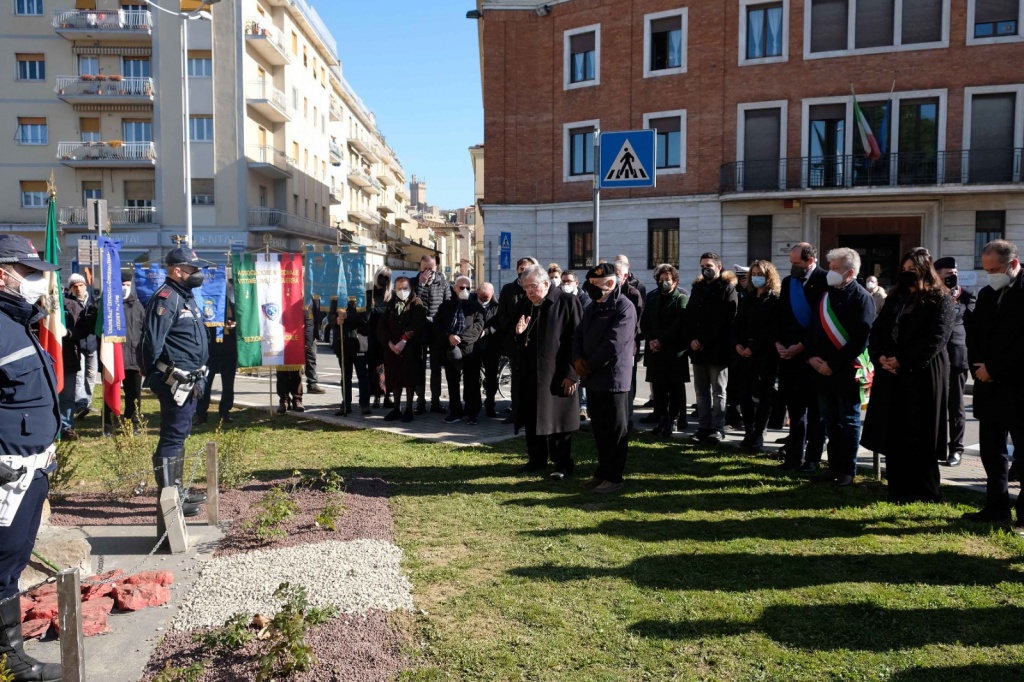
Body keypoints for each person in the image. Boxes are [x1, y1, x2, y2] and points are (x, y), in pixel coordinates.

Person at [0, 235, 63, 682]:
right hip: (6, 473)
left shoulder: (16, 322)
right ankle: (10, 662)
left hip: (31, 471)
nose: (38, 280)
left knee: (13, 560)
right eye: (28, 272)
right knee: (1, 566)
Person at [861, 249, 954, 503]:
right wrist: (880, 356)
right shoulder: (896, 298)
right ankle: (897, 489)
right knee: (895, 430)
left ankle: (925, 491)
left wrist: (904, 360)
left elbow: (936, 338)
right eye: (905, 269)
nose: (908, 274)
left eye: (913, 269)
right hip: (891, 373)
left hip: (922, 373)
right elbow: (878, 330)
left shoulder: (940, 299)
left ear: (925, 270)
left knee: (920, 432)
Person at [141, 247, 210, 526]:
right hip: (173, 381)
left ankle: (178, 490)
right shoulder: (166, 299)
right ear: (177, 270)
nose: (198, 274)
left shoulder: (186, 297)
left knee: (179, 435)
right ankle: (170, 495)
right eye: (193, 269)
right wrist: (158, 379)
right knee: (172, 436)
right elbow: (151, 344)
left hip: (190, 380)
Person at [963, 239, 1024, 533]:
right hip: (988, 386)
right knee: (992, 451)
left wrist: (995, 368)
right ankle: (996, 506)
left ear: (1013, 264)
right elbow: (975, 335)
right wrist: (979, 368)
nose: (991, 275)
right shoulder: (988, 293)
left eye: (996, 269)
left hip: (1017, 386)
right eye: (987, 270)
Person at [806, 247, 875, 487]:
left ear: (850, 272)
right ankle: (833, 466)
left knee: (848, 421)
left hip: (846, 371)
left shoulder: (862, 297)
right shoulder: (825, 295)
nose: (830, 272)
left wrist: (833, 364)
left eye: (835, 268)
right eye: (831, 267)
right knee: (829, 421)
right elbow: (813, 330)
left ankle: (848, 469)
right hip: (821, 370)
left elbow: (860, 339)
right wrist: (812, 357)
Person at [512, 265, 582, 479]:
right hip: (531, 373)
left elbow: (577, 341)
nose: (529, 292)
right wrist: (518, 334)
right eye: (525, 288)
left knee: (558, 420)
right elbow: (521, 340)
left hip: (557, 374)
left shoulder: (567, 302)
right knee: (533, 417)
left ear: (546, 283)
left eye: (532, 287)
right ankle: (536, 459)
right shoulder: (525, 305)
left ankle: (562, 464)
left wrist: (572, 374)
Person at [574, 263, 637, 493]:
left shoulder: (624, 307)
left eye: (594, 285)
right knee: (599, 429)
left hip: (613, 380)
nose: (589, 289)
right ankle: (601, 473)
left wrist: (588, 365)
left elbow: (614, 343)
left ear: (610, 284)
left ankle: (614, 477)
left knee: (615, 431)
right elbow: (578, 334)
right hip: (592, 378)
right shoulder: (593, 307)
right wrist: (577, 359)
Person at [775, 243, 828, 471]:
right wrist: (778, 342)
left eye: (796, 263)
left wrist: (802, 346)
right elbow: (782, 317)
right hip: (789, 359)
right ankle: (793, 457)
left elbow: (823, 323)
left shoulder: (826, 281)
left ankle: (813, 459)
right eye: (791, 262)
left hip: (814, 358)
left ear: (810, 260)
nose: (792, 267)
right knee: (795, 412)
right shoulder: (789, 283)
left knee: (816, 414)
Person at [685, 252, 738, 444]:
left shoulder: (727, 289)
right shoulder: (698, 288)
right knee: (701, 391)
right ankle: (703, 427)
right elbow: (689, 316)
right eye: (702, 266)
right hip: (697, 349)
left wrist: (704, 341)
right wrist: (692, 339)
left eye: (708, 265)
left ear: (718, 266)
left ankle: (717, 428)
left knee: (718, 391)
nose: (705, 269)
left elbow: (726, 319)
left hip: (717, 349)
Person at [732, 260, 781, 451]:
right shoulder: (748, 298)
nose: (756, 277)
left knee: (764, 396)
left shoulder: (775, 299)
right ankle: (749, 431)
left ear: (768, 276)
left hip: (765, 355)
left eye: (760, 274)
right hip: (744, 355)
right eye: (753, 274)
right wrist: (737, 344)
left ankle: (759, 432)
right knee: (744, 395)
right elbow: (738, 324)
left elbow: (772, 329)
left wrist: (753, 347)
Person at [934, 256, 975, 467]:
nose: (954, 275)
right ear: (938, 275)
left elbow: (975, 328)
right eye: (949, 273)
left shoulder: (966, 296)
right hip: (933, 359)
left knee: (956, 407)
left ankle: (956, 450)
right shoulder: (930, 295)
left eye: (955, 272)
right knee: (934, 405)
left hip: (957, 358)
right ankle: (934, 447)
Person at [641, 264, 689, 438]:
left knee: (674, 388)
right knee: (659, 388)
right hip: (656, 351)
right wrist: (651, 340)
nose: (664, 283)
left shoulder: (680, 298)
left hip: (674, 352)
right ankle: (661, 418)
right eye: (661, 280)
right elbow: (645, 322)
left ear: (675, 282)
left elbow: (679, 324)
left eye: (667, 280)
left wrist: (661, 341)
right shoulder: (652, 298)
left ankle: (673, 419)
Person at [433, 276, 484, 424]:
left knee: (472, 382)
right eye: (462, 288)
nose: (465, 291)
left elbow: (478, 328)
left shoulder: (476, 307)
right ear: (455, 288)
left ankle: (471, 412)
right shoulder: (445, 306)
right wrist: (449, 337)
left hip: (469, 349)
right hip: (450, 348)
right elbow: (437, 325)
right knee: (452, 381)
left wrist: (461, 339)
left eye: (468, 288)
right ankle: (455, 411)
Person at [378, 276, 427, 422]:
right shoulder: (391, 304)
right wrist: (390, 343)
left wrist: (404, 340)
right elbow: (382, 326)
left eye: (405, 288)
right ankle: (396, 408)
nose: (402, 291)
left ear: (410, 288)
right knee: (395, 379)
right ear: (394, 289)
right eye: (399, 288)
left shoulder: (416, 303)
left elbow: (418, 324)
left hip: (410, 349)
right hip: (393, 350)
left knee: (409, 379)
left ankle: (409, 409)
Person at [104, 270, 146, 436]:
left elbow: (144, 330)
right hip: (113, 356)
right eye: (122, 285)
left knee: (134, 393)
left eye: (128, 285)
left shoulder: (137, 305)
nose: (125, 288)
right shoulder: (108, 305)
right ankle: (108, 425)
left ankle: (133, 421)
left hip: (133, 357)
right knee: (111, 391)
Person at [497, 257, 537, 423]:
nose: (523, 271)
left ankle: (532, 411)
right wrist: (515, 329)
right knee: (517, 378)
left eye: (527, 269)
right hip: (515, 342)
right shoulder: (508, 289)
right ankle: (516, 411)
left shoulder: (536, 290)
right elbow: (502, 315)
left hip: (534, 342)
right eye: (521, 268)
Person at [58, 277, 96, 440]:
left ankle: (66, 426)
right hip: (48, 356)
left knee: (67, 394)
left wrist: (68, 332)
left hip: (69, 355)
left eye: (81, 285)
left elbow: (84, 329)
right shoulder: (39, 304)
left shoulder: (72, 305)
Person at [410, 255, 449, 414]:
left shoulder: (443, 283)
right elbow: (411, 302)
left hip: (436, 329)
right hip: (419, 329)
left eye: (430, 268)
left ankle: (435, 402)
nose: (427, 271)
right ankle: (420, 402)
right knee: (419, 366)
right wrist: (421, 284)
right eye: (424, 268)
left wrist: (440, 323)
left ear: (436, 268)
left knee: (436, 367)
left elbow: (447, 304)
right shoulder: (413, 283)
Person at [195, 283, 236, 426]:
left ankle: (225, 412)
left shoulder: (230, 305)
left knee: (228, 383)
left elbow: (239, 324)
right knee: (205, 382)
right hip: (210, 350)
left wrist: (233, 326)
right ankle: (201, 413)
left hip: (228, 350)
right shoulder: (206, 304)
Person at [614, 260, 644, 430]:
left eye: (618, 273)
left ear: (625, 275)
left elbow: (637, 321)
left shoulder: (633, 294)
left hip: (629, 346)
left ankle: (628, 418)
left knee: (627, 384)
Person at [466, 283, 501, 419]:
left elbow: (500, 323)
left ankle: (490, 404)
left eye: (487, 298)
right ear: (478, 293)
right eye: (482, 297)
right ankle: (473, 406)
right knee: (472, 376)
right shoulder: (471, 302)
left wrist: (487, 332)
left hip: (491, 345)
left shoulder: (497, 305)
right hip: (473, 345)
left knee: (491, 376)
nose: (485, 300)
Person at [332, 298, 370, 416]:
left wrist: (346, 316)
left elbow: (364, 317)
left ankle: (364, 404)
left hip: (358, 344)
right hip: (343, 344)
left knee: (362, 376)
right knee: (345, 377)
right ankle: (346, 405)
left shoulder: (362, 296)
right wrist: (336, 320)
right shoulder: (337, 298)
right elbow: (330, 316)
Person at [69, 273, 98, 421]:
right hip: (77, 344)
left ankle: (88, 401)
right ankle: (80, 404)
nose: (78, 288)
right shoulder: (68, 303)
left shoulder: (94, 301)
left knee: (91, 375)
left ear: (85, 286)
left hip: (92, 343)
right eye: (75, 286)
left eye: (81, 285)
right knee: (79, 376)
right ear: (71, 288)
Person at [366, 267, 393, 410]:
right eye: (382, 276)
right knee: (375, 367)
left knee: (388, 367)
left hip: (387, 337)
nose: (384, 279)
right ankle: (376, 396)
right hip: (373, 336)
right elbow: (367, 315)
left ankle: (387, 396)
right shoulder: (369, 294)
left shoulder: (391, 296)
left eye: (387, 277)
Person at [304, 298, 326, 395]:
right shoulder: (301, 297)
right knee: (301, 360)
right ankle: (294, 387)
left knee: (311, 359)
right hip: (300, 334)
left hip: (311, 334)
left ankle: (312, 384)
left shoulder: (314, 298)